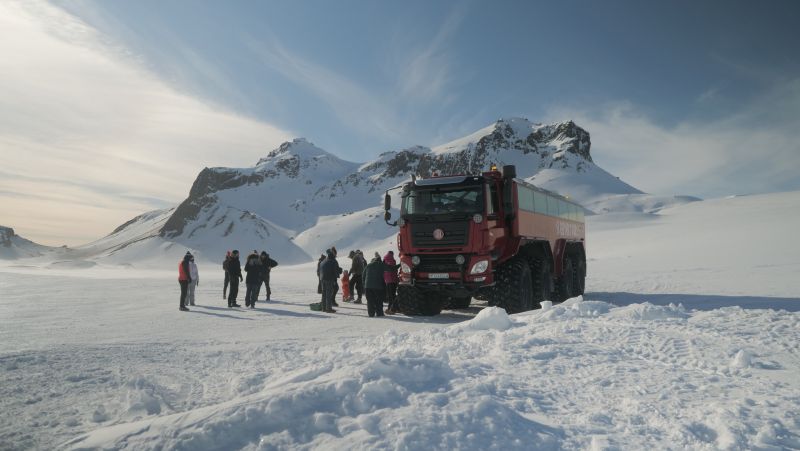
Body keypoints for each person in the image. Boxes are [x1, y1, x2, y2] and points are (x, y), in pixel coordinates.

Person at [319, 248, 342, 313]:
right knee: (329, 293)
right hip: (329, 279)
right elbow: (335, 271)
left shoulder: (324, 260)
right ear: (333, 254)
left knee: (324, 293)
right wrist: (339, 272)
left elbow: (321, 268)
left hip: (322, 278)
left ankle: (324, 308)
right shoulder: (333, 261)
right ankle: (328, 308)